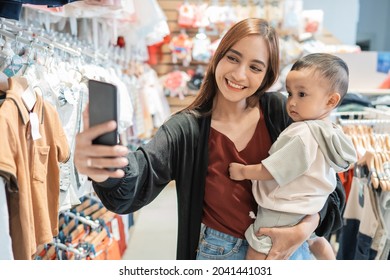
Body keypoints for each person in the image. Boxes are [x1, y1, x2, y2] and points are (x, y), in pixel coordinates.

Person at [74, 18, 346, 260]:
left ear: (267, 76)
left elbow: (329, 187)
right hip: (217, 254)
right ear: (217, 58)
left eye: (255, 67)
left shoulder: (282, 113)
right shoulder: (186, 129)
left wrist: (305, 228)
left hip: (289, 251)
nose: (239, 74)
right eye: (233, 58)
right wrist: (104, 169)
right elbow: (136, 179)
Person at [228, 53, 357, 260]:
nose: (292, 102)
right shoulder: (331, 131)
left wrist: (243, 171)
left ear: (331, 100)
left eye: (302, 95)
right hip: (310, 207)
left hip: (282, 209)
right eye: (290, 93)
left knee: (258, 248)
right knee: (314, 239)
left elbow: (273, 170)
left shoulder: (301, 132)